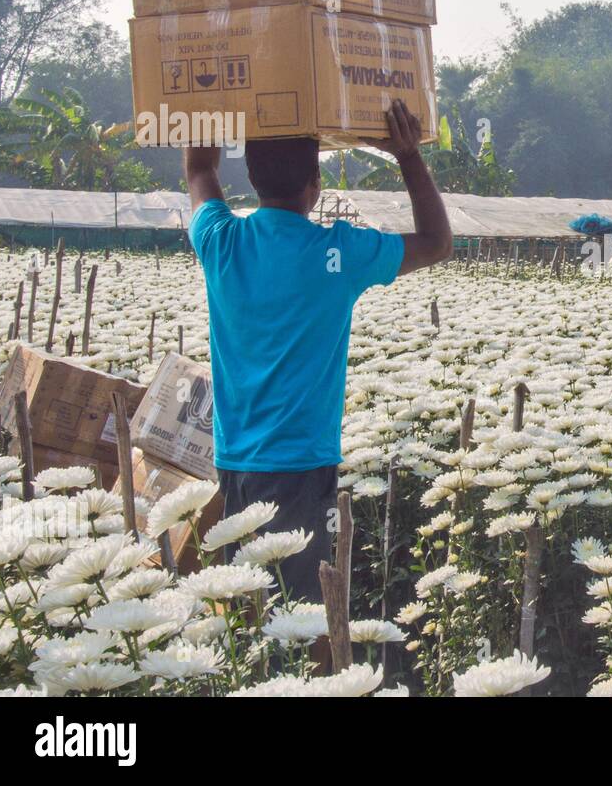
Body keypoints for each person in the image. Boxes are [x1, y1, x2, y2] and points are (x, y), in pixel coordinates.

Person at [183, 99, 452, 603]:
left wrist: (215, 95)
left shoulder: (221, 241)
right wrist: (408, 156)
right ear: (316, 185)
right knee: (302, 615)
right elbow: (437, 242)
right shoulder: (340, 253)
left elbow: (200, 169)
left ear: (254, 179)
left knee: (247, 613)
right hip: (302, 465)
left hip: (233, 462)